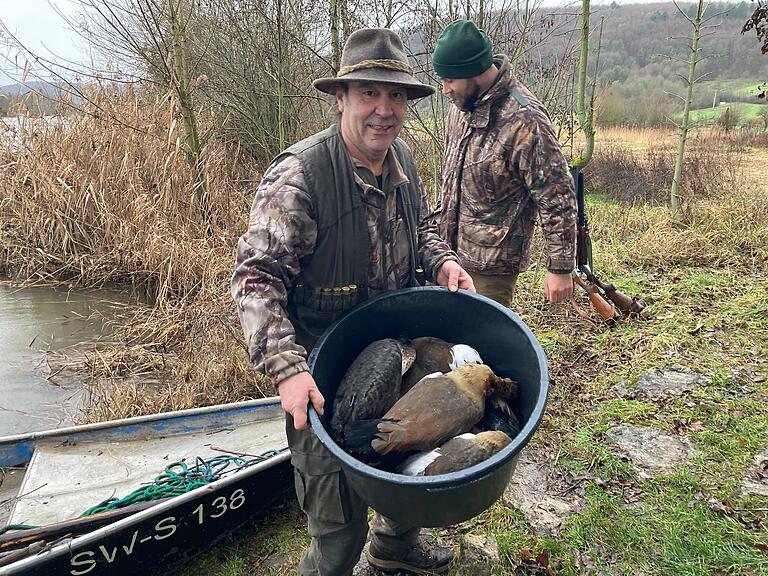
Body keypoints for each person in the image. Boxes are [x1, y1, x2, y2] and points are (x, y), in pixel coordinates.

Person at [231, 27, 474, 576]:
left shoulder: (403, 162)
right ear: (341, 98)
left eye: (395, 97)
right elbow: (254, 281)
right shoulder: (300, 177)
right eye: (369, 93)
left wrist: (440, 261)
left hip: (397, 357)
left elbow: (424, 228)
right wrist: (286, 369)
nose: (384, 110)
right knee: (338, 530)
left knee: (404, 475)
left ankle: (396, 551)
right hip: (322, 374)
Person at [431, 19, 578, 307]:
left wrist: (560, 268)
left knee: (479, 345)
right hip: (447, 254)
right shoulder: (461, 108)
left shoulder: (525, 119)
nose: (444, 89)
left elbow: (556, 196)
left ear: (473, 71)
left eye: (449, 80)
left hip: (491, 268)